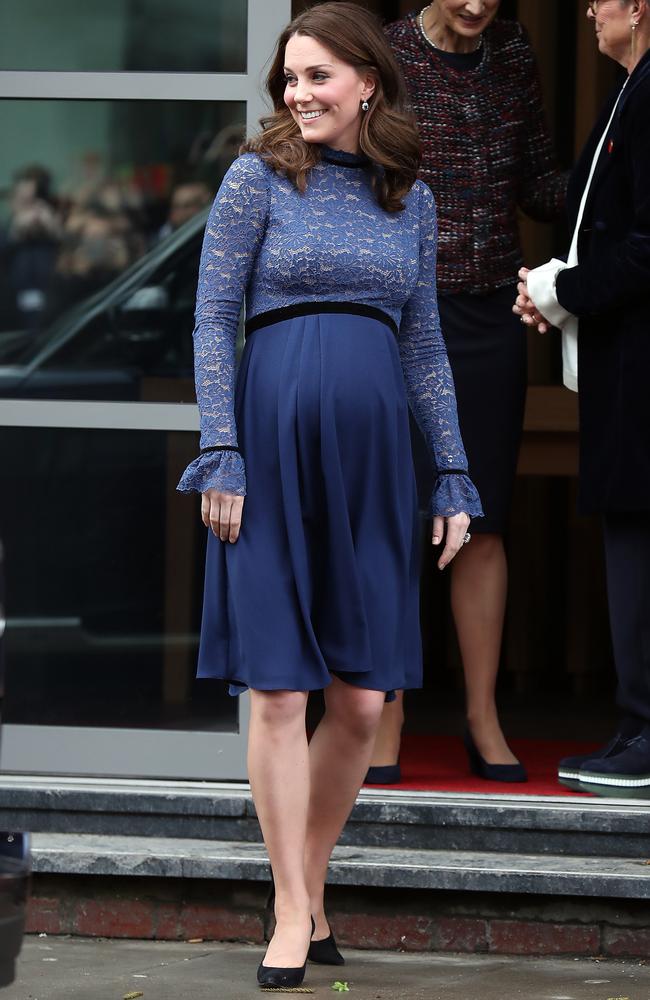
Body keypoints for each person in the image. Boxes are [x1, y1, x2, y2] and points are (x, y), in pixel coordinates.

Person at [177, 2, 481, 988]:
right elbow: (213, 313)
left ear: (366, 83)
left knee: (358, 696)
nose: (298, 95)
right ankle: (288, 909)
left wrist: (450, 472)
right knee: (277, 686)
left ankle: (308, 887)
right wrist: (219, 450)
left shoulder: (409, 194)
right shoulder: (256, 177)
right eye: (288, 79)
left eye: (316, 77)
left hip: (373, 465)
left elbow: (425, 343)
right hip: (266, 451)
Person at [367, 0, 567, 785]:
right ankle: (386, 708)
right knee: (394, 509)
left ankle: (483, 715)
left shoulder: (513, 54)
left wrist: (612, 182)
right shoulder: (385, 53)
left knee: (480, 519)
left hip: (488, 317)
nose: (480, 4)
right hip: (400, 310)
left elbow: (540, 182)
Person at [515, 0, 650, 798]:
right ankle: (637, 723)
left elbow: (644, 247)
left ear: (637, 7)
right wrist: (559, 291)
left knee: (639, 539)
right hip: (624, 365)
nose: (589, 11)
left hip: (641, 373)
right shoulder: (630, 88)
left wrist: (562, 287)